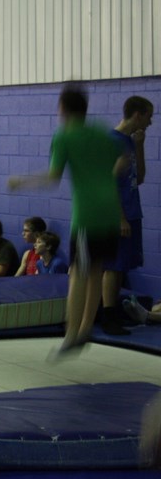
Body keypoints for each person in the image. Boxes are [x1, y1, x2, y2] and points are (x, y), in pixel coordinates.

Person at [8, 82, 125, 357]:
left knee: (78, 275)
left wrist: (21, 181)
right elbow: (124, 160)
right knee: (96, 271)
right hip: (110, 213)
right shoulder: (101, 131)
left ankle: (71, 334)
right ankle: (85, 329)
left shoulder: (64, 135)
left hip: (88, 217)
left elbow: (53, 177)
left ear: (62, 108)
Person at [101, 95, 153, 334]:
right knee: (113, 266)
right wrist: (119, 217)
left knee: (122, 266)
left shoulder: (130, 142)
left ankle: (113, 314)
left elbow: (139, 177)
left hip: (132, 210)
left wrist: (140, 146)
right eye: (149, 117)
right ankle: (108, 316)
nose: (150, 122)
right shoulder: (112, 141)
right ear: (138, 115)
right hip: (117, 213)